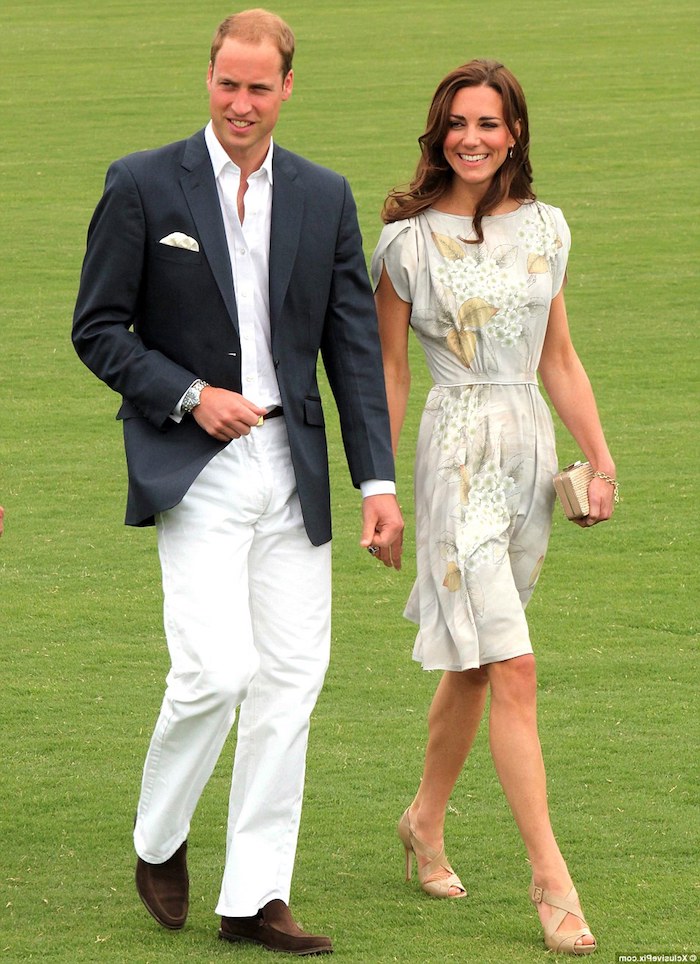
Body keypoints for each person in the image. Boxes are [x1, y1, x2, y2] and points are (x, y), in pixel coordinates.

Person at [73, 9, 403, 955]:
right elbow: (97, 328)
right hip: (200, 465)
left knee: (291, 684)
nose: (242, 103)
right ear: (206, 78)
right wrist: (187, 395)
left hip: (292, 471)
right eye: (228, 84)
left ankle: (254, 895)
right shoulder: (142, 184)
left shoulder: (323, 194)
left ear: (288, 88)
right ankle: (160, 836)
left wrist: (375, 482)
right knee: (216, 673)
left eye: (260, 87)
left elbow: (350, 347)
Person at [372, 59, 617, 956]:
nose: (472, 137)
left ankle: (422, 822)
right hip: (453, 455)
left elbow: (559, 357)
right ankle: (552, 881)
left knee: (476, 662)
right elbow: (389, 372)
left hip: (529, 458)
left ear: (514, 133)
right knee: (513, 665)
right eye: (457, 123)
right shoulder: (404, 244)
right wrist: (382, 488)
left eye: (490, 122)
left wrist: (598, 456)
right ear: (438, 134)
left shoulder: (549, 228)